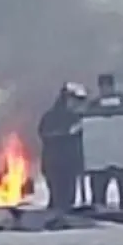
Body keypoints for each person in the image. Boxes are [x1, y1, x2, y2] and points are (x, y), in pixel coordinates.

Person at [84, 73, 123, 211]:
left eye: (107, 86)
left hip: (120, 156)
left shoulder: (95, 105)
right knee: (99, 195)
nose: (106, 89)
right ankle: (102, 216)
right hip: (102, 158)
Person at [38, 82, 86, 212]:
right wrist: (68, 133)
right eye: (74, 101)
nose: (76, 105)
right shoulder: (51, 117)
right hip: (55, 165)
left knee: (68, 199)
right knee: (58, 199)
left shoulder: (77, 117)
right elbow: (46, 134)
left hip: (70, 165)